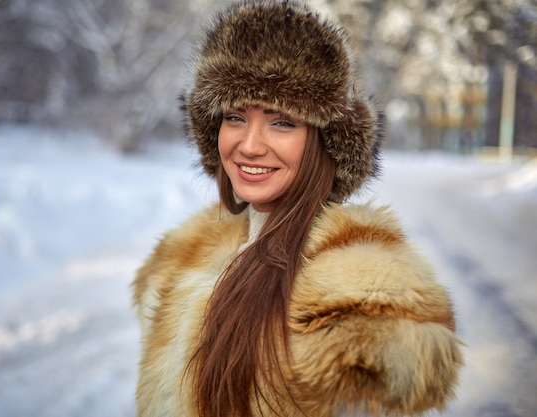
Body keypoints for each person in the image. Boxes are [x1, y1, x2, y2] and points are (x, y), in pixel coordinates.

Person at [132, 1, 464, 416]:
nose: (249, 144)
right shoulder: (186, 257)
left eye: (282, 122)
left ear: (326, 141)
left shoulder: (357, 304)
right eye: (235, 117)